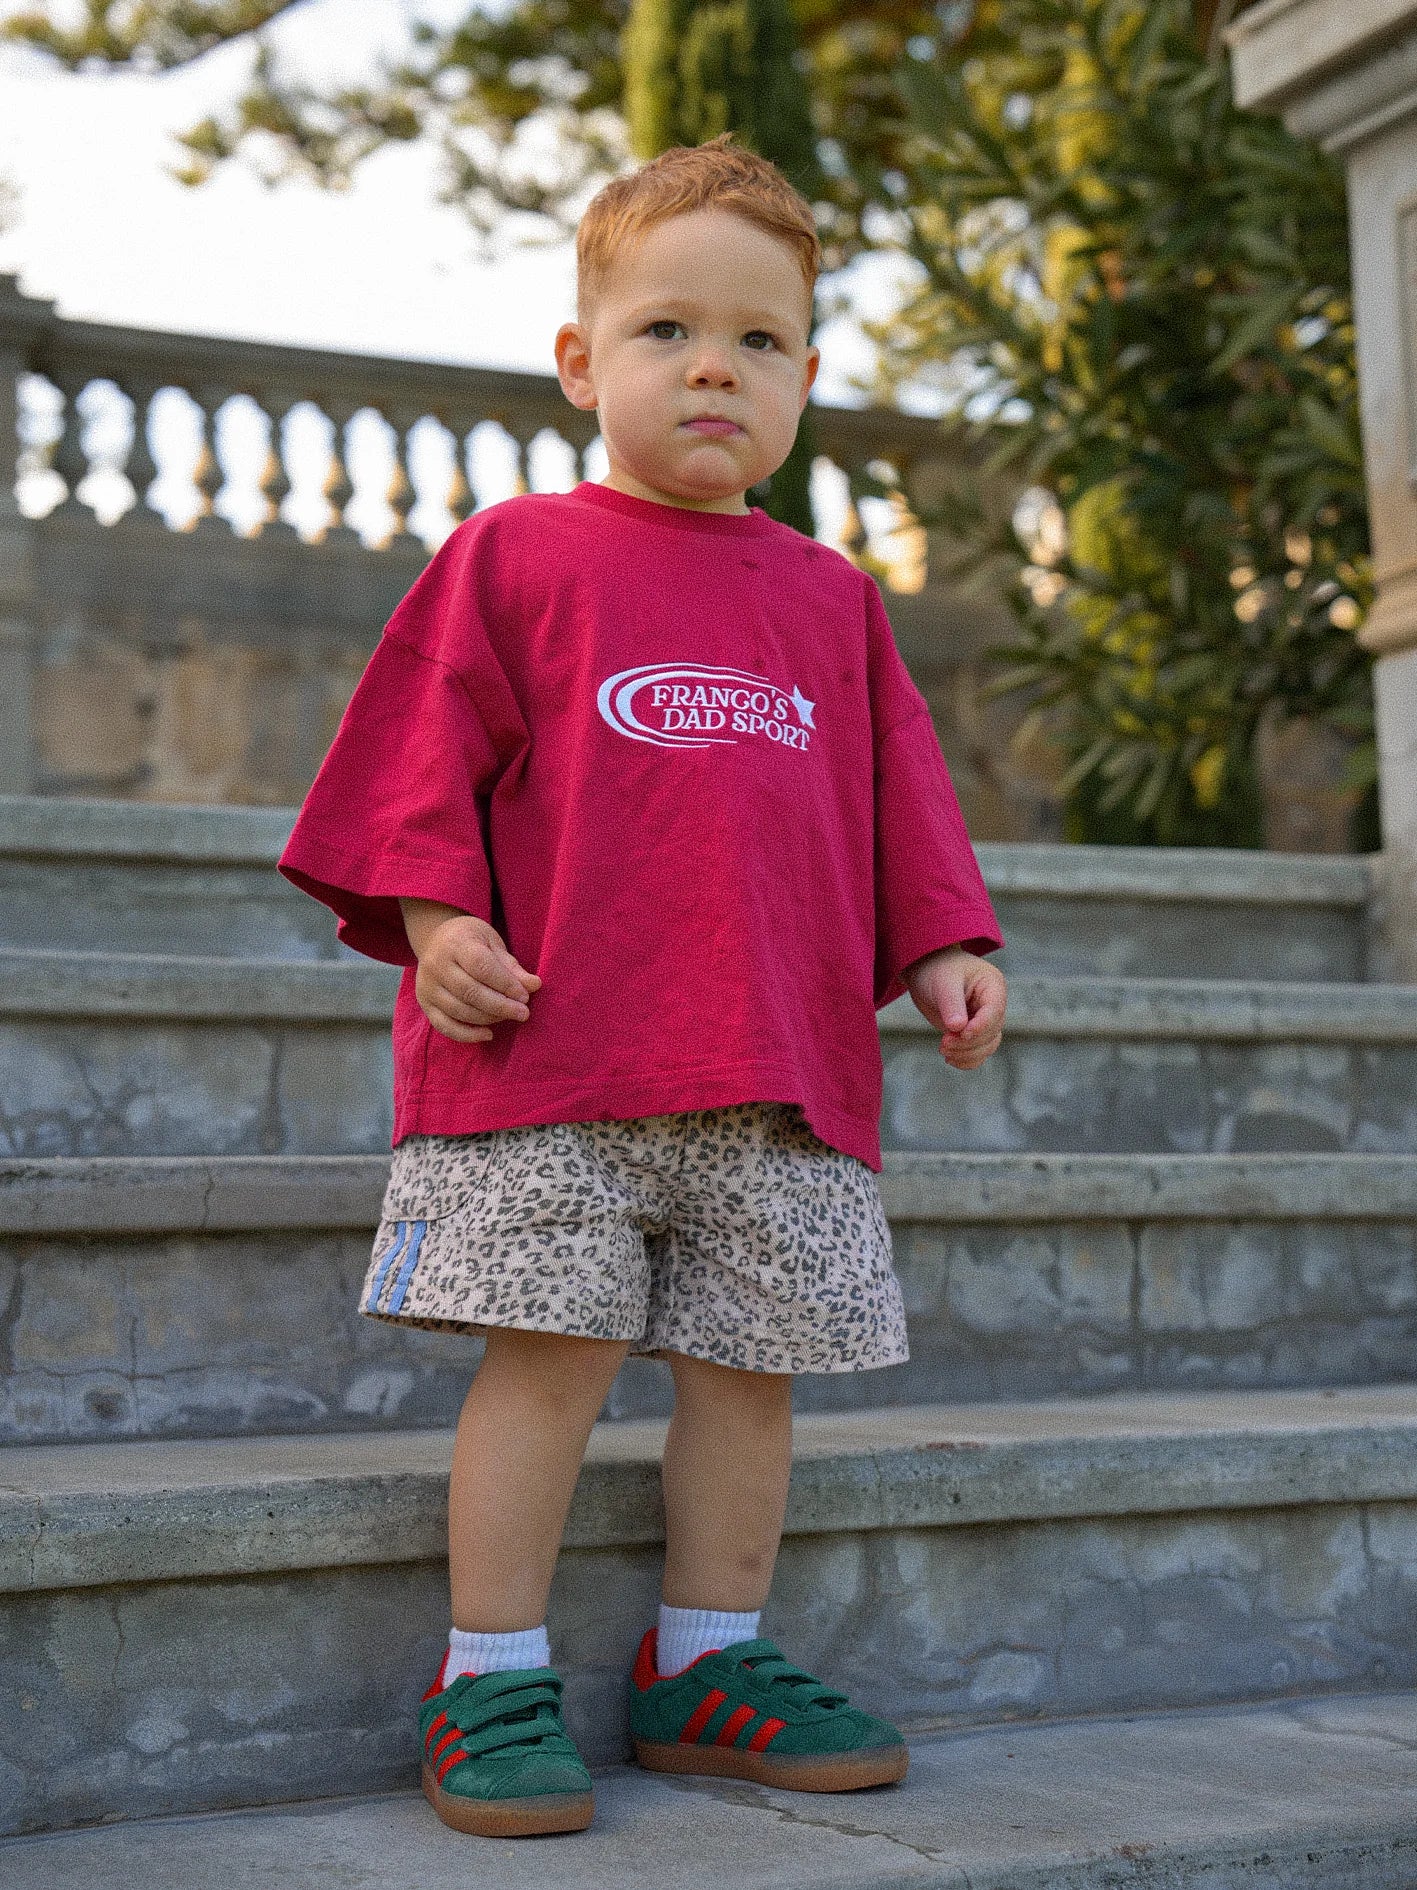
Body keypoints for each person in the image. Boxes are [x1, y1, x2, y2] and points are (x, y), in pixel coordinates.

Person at [279, 133, 1007, 1841]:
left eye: (759, 342)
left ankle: (707, 1661)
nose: (713, 367)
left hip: (777, 1072)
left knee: (747, 1376)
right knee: (544, 1362)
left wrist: (946, 945)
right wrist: (434, 916)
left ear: (808, 381)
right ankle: (491, 1668)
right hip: (552, 1065)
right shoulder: (516, 557)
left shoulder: (831, 603)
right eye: (669, 329)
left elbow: (901, 798)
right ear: (579, 362)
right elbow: (414, 769)